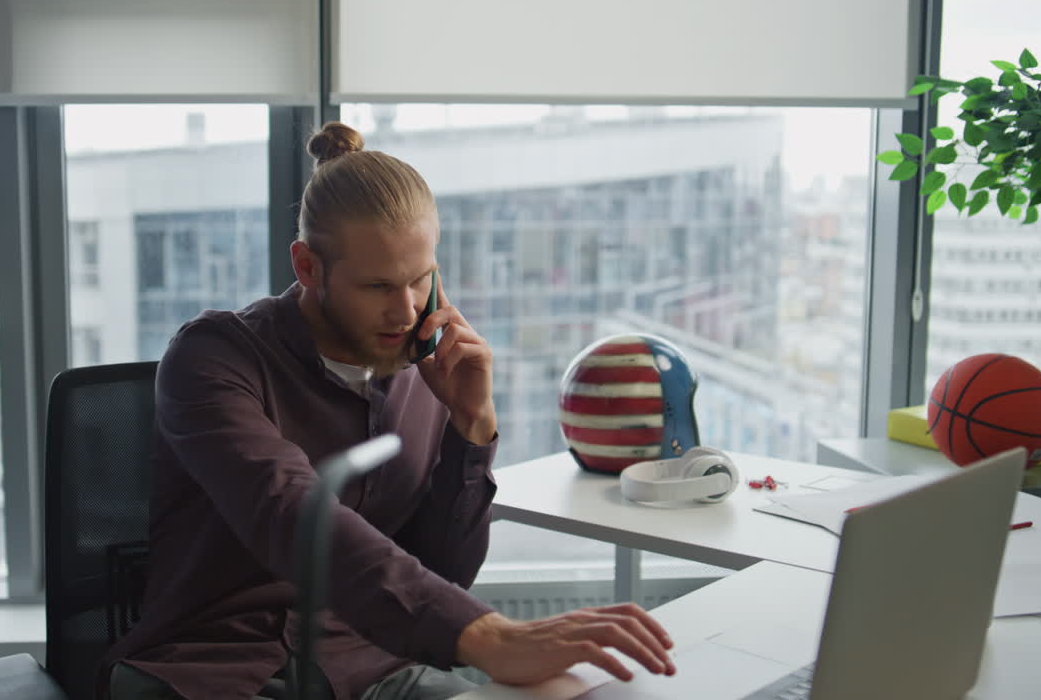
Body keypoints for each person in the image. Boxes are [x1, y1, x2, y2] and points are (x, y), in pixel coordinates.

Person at [100, 122, 676, 700]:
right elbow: (289, 509)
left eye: (420, 280)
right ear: (307, 267)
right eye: (377, 286)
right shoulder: (213, 358)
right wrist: (488, 635)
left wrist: (471, 428)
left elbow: (441, 575)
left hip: (368, 669)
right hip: (214, 669)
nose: (405, 312)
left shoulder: (429, 374)